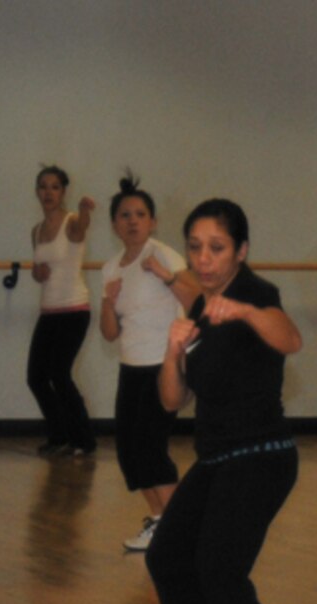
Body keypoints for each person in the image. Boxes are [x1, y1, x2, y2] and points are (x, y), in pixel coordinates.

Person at [147, 199, 313, 604]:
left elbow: (291, 339)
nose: (204, 258)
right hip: (218, 459)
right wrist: (172, 353)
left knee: (220, 572)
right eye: (195, 247)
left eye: (216, 248)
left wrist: (242, 312)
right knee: (169, 556)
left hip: (262, 456)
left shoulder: (257, 295)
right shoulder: (199, 309)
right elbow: (172, 401)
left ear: (241, 251)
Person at [101, 172, 198, 552]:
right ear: (114, 225)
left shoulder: (165, 255)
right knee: (128, 450)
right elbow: (109, 333)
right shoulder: (111, 268)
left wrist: (168, 276)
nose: (133, 221)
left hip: (164, 368)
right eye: (125, 215)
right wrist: (108, 301)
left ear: (153, 221)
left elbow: (196, 300)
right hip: (130, 368)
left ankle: (179, 529)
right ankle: (162, 521)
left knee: (149, 447)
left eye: (140, 214)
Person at [26, 165, 98, 457]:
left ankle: (83, 440)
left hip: (74, 310)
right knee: (36, 377)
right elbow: (38, 271)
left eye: (55, 186)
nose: (48, 192)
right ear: (37, 192)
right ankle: (59, 437)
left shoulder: (71, 222)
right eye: (43, 186)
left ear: (63, 192)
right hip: (49, 312)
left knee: (59, 373)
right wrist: (38, 272)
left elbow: (81, 230)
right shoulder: (36, 231)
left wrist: (84, 211)